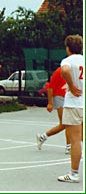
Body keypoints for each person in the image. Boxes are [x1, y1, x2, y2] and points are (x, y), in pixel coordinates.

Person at [57, 35, 83, 183]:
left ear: (68, 48)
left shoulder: (67, 61)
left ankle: (74, 173)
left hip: (74, 103)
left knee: (75, 141)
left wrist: (72, 85)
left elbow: (65, 71)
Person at [36, 67, 70, 154]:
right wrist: (50, 103)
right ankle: (69, 147)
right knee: (66, 123)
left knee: (66, 124)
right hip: (59, 97)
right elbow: (50, 88)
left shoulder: (75, 70)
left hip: (69, 98)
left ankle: (42, 137)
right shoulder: (59, 71)